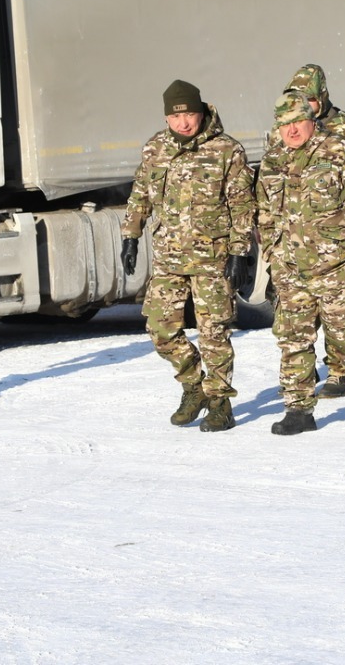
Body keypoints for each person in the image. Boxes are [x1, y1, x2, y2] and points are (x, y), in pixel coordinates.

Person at [121, 80, 254, 432]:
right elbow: (140, 195)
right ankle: (193, 386)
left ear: (201, 112)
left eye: (190, 115)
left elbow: (242, 203)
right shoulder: (155, 149)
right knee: (159, 327)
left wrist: (241, 251)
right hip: (169, 255)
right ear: (166, 117)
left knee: (214, 332)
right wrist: (130, 236)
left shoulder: (227, 150)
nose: (183, 124)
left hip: (213, 256)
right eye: (176, 117)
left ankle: (221, 402)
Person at [256, 91, 345, 435]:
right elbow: (265, 210)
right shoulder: (272, 160)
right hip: (289, 266)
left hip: (336, 263)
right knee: (292, 338)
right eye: (285, 124)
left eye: (298, 121)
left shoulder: (340, 149)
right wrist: (270, 249)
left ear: (312, 119)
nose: (292, 130)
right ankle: (298, 410)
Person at [280, 63, 345, 400]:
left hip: (343, 237)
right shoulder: (291, 128)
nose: (304, 107)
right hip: (303, 240)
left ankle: (340, 371)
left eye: (310, 100)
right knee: (305, 317)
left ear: (321, 97)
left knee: (342, 314)